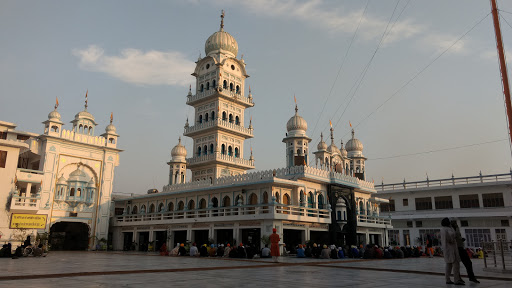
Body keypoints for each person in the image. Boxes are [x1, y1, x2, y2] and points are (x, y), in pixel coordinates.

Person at [441, 217, 464, 285]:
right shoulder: (447, 229)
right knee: (455, 264)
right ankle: (456, 280)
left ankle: (447, 279)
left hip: (447, 249)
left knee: (448, 264)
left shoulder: (443, 229)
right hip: (451, 249)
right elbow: (451, 237)